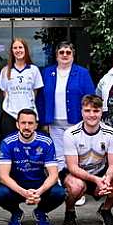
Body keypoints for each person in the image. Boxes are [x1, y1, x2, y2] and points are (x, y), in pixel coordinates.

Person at [60, 95, 113, 225]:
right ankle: (70, 211)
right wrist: (96, 180)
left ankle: (105, 210)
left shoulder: (111, 133)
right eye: (87, 110)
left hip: (101, 173)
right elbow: (72, 167)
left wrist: (107, 179)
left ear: (102, 112)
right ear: (81, 112)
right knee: (76, 186)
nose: (92, 115)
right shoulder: (70, 133)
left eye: (96, 111)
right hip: (78, 174)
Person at [0, 109, 65, 225]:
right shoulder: (7, 142)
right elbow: (4, 176)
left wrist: (38, 192)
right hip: (16, 184)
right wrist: (24, 192)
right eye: (23, 123)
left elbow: (53, 175)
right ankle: (16, 213)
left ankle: (41, 212)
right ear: (17, 124)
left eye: (30, 123)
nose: (26, 127)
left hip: (39, 183)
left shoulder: (46, 141)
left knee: (59, 193)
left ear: (36, 125)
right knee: (0, 194)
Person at [36, 41, 95, 170]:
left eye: (68, 52)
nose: (65, 55)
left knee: (76, 154)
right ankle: (62, 182)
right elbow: (40, 99)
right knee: (58, 155)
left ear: (73, 55)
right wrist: (43, 120)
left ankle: (77, 182)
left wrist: (89, 119)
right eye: (61, 52)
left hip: (76, 121)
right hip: (54, 122)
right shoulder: (46, 72)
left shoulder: (82, 73)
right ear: (56, 56)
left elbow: (91, 98)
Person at [0, 38, 44, 138]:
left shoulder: (34, 69)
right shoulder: (5, 71)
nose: (18, 50)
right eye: (15, 48)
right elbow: (4, 92)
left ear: (25, 49)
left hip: (29, 115)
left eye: (20, 47)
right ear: (12, 51)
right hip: (10, 115)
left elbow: (35, 92)